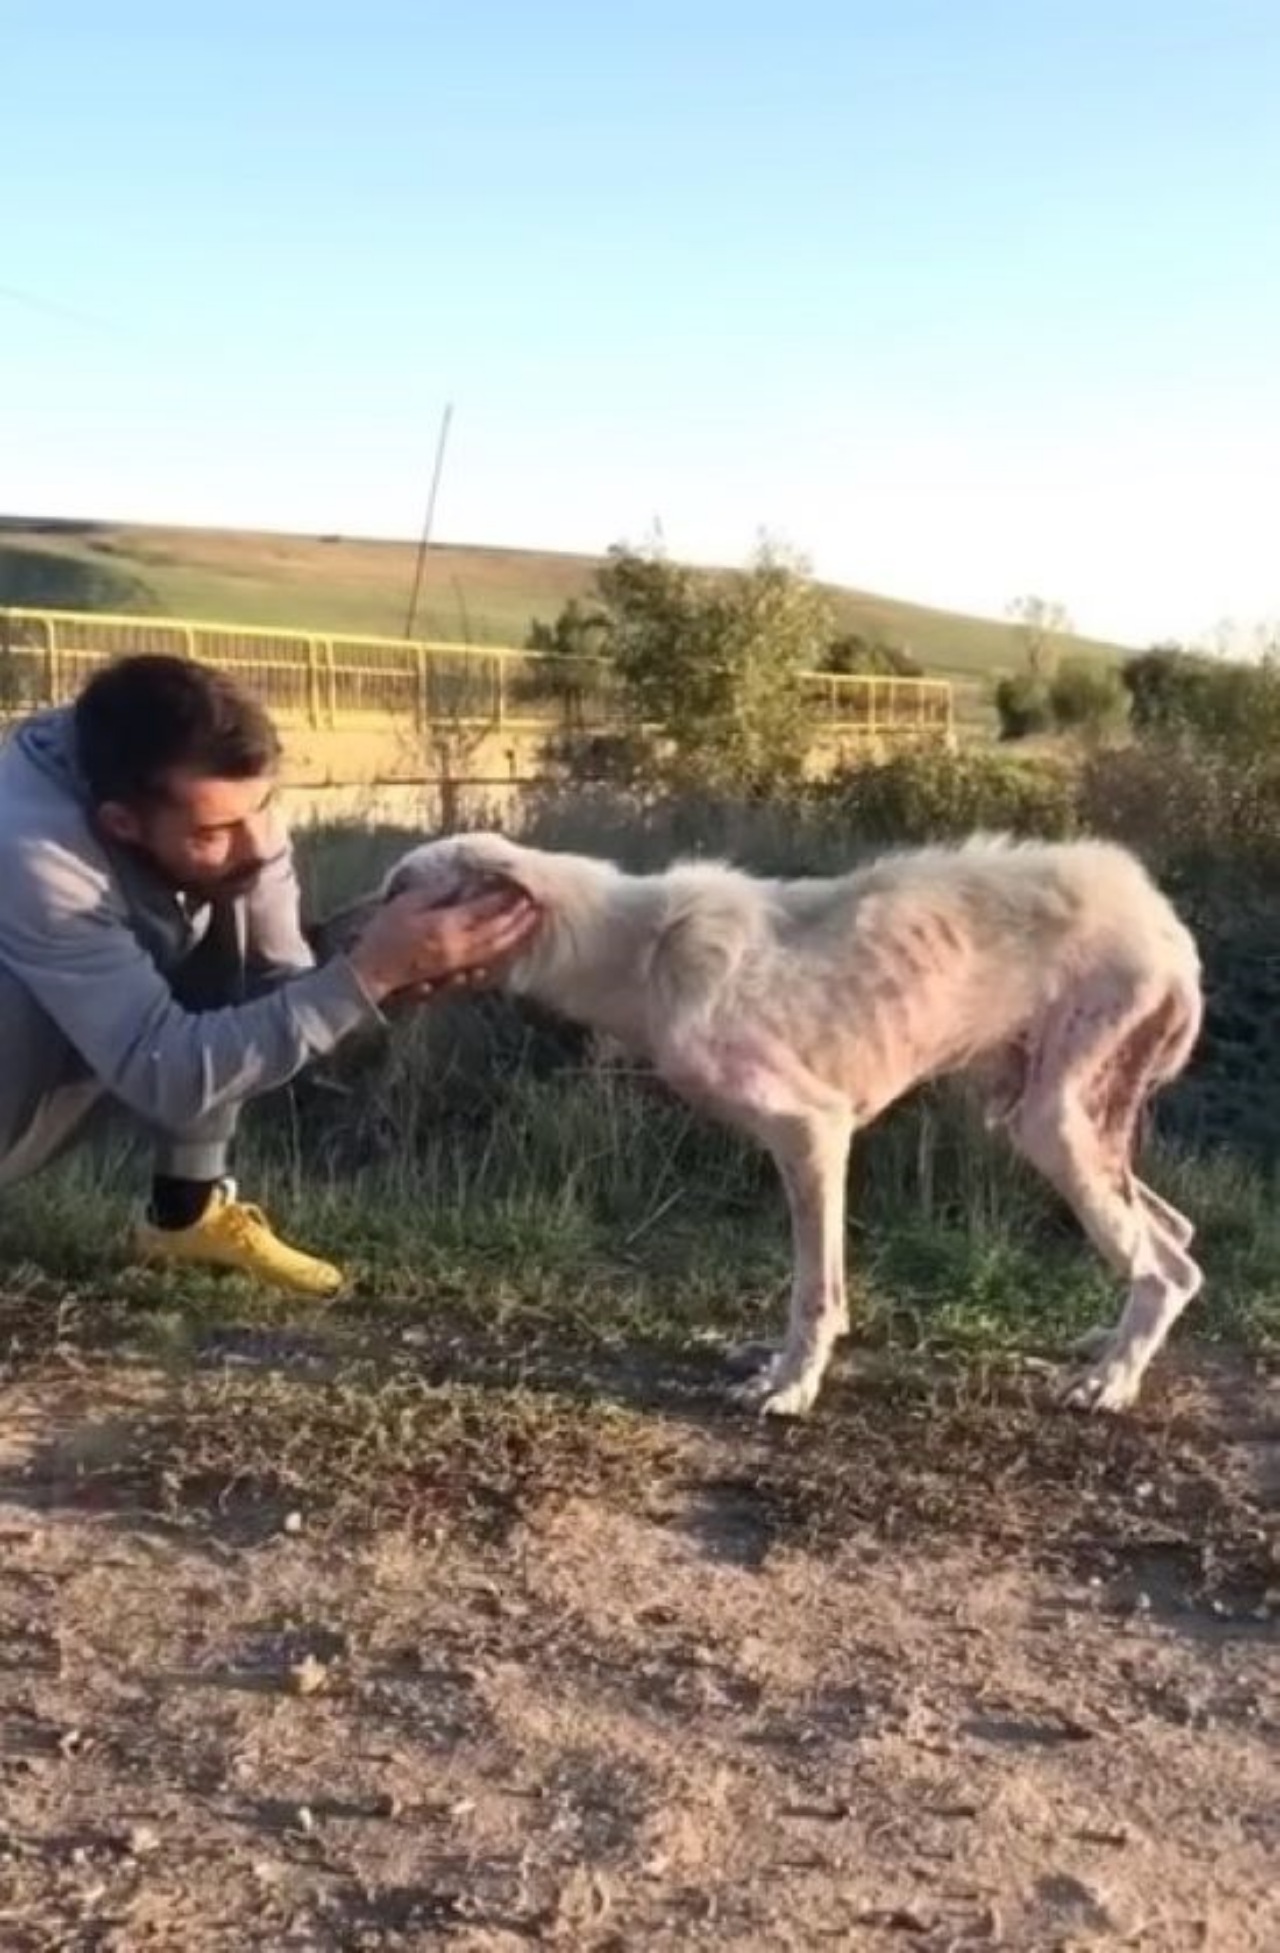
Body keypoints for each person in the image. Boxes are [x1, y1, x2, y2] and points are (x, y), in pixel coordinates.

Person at [0, 652, 538, 1296]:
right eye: (218, 829)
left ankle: (187, 1216)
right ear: (122, 823)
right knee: (23, 1001)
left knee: (224, 917)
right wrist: (363, 977)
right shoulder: (37, 856)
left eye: (266, 806)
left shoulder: (201, 797)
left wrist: (389, 973)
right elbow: (161, 1071)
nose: (260, 843)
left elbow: (279, 992)